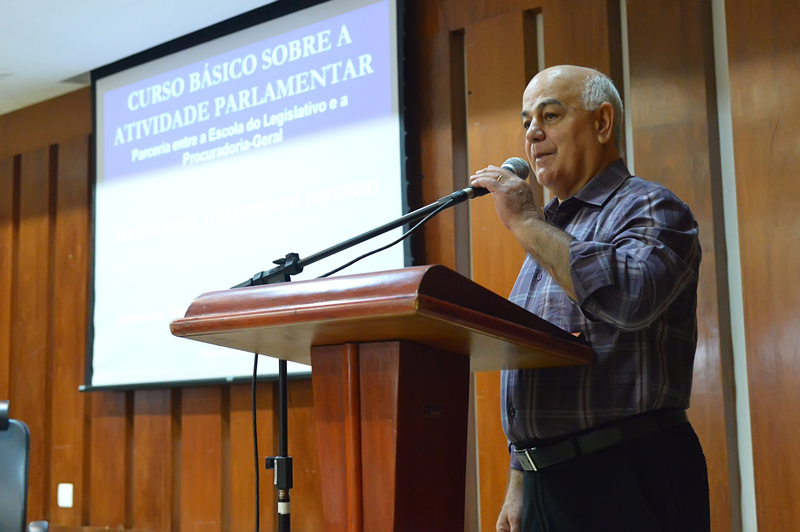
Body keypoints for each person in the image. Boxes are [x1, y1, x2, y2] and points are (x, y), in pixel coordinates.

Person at [469, 65, 710, 532]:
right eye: (526, 122)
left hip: (625, 473)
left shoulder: (650, 206)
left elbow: (630, 300)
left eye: (550, 116)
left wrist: (526, 222)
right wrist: (521, 479)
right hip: (545, 483)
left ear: (602, 123)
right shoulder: (551, 230)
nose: (532, 134)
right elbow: (531, 368)